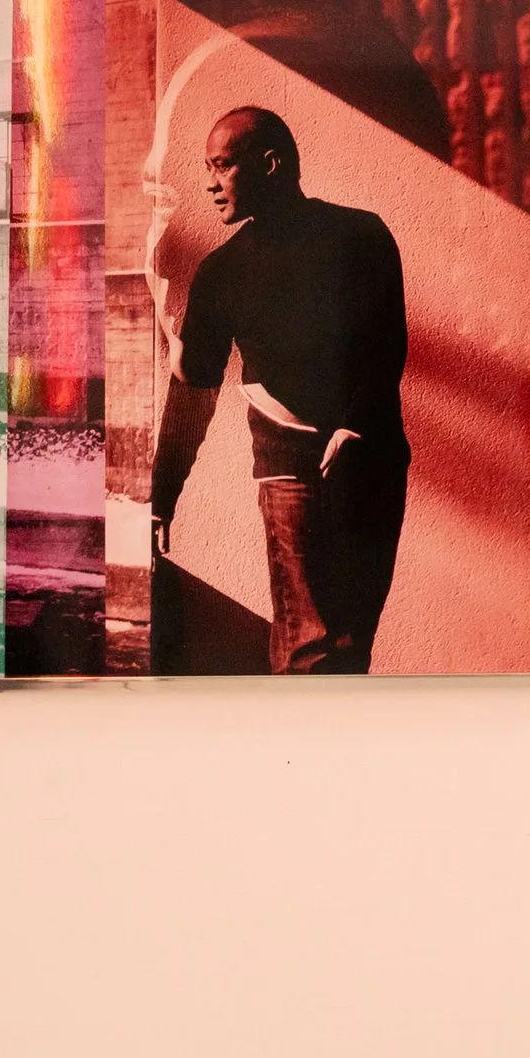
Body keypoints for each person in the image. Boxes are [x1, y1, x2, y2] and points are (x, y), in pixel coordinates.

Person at [149, 107, 410, 674]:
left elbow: (387, 341)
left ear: (270, 165)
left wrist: (357, 424)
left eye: (223, 165)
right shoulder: (220, 271)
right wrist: (162, 494)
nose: (210, 183)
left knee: (351, 648)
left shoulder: (361, 235)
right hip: (288, 468)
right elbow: (194, 386)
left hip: (373, 462)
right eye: (208, 168)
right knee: (305, 650)